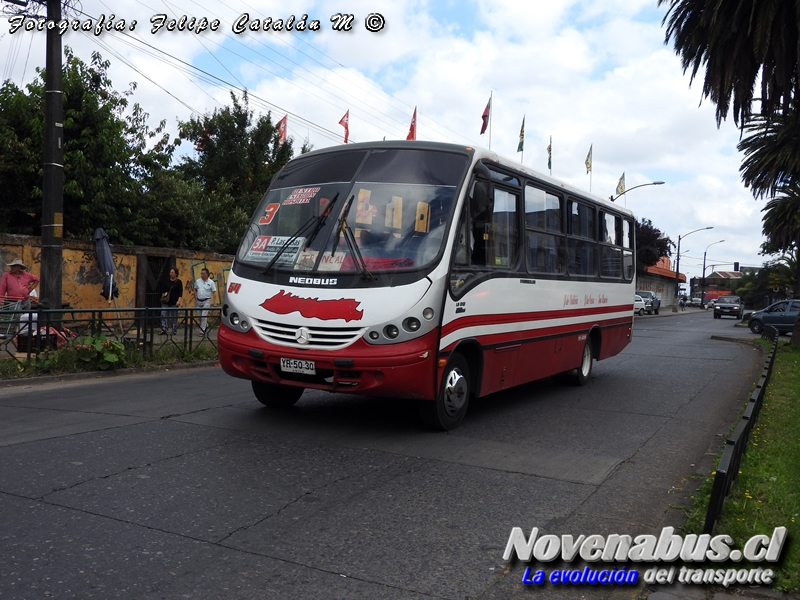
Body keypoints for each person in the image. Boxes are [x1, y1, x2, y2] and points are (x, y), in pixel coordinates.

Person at [193, 268, 217, 333]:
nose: (201, 275)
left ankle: (202, 331)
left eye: (203, 273)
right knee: (199, 317)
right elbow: (195, 289)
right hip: (198, 300)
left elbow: (214, 292)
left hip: (207, 300)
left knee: (203, 316)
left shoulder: (211, 282)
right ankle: (205, 325)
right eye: (201, 273)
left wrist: (215, 302)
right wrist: (195, 297)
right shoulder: (198, 281)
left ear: (207, 274)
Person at [160, 267, 183, 335]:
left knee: (174, 316)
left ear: (176, 274)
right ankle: (164, 328)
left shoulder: (178, 282)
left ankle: (174, 329)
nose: (171, 274)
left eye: (172, 272)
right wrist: (163, 297)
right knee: (163, 314)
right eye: (170, 272)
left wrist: (178, 301)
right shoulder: (166, 281)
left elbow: (180, 292)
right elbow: (163, 290)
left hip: (174, 301)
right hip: (166, 301)